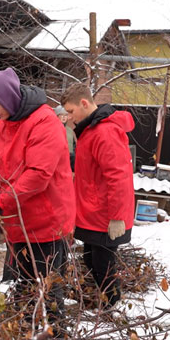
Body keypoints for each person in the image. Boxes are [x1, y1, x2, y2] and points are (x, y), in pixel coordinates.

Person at [0, 67, 76, 321]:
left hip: (46, 224)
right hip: (17, 221)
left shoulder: (45, 122)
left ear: (9, 98)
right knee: (22, 290)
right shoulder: (3, 126)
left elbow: (38, 175)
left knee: (47, 294)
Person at [61, 83, 135, 308]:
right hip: (93, 212)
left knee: (103, 264)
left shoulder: (104, 131)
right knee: (91, 259)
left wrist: (117, 216)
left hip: (105, 215)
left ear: (84, 103)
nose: (70, 118)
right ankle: (107, 301)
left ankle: (113, 305)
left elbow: (119, 176)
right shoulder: (90, 129)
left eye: (71, 112)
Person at [55, 104, 76, 173]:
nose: (64, 117)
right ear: (57, 116)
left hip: (70, 162)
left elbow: (74, 146)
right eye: (61, 115)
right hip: (58, 161)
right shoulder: (53, 129)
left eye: (66, 115)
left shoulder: (70, 130)